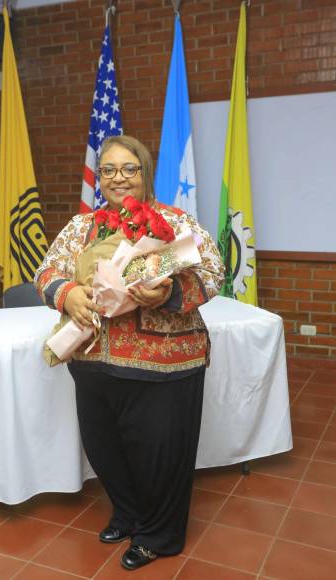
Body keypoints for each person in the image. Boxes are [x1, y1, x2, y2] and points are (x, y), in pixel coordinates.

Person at [35, 135, 224, 571]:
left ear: (145, 172)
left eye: (129, 168)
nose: (118, 178)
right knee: (104, 449)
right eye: (108, 170)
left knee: (159, 456)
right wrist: (67, 294)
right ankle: (128, 513)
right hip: (94, 362)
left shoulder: (176, 223)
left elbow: (215, 271)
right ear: (98, 177)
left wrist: (171, 291)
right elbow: (46, 269)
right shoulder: (83, 226)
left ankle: (158, 534)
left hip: (167, 367)